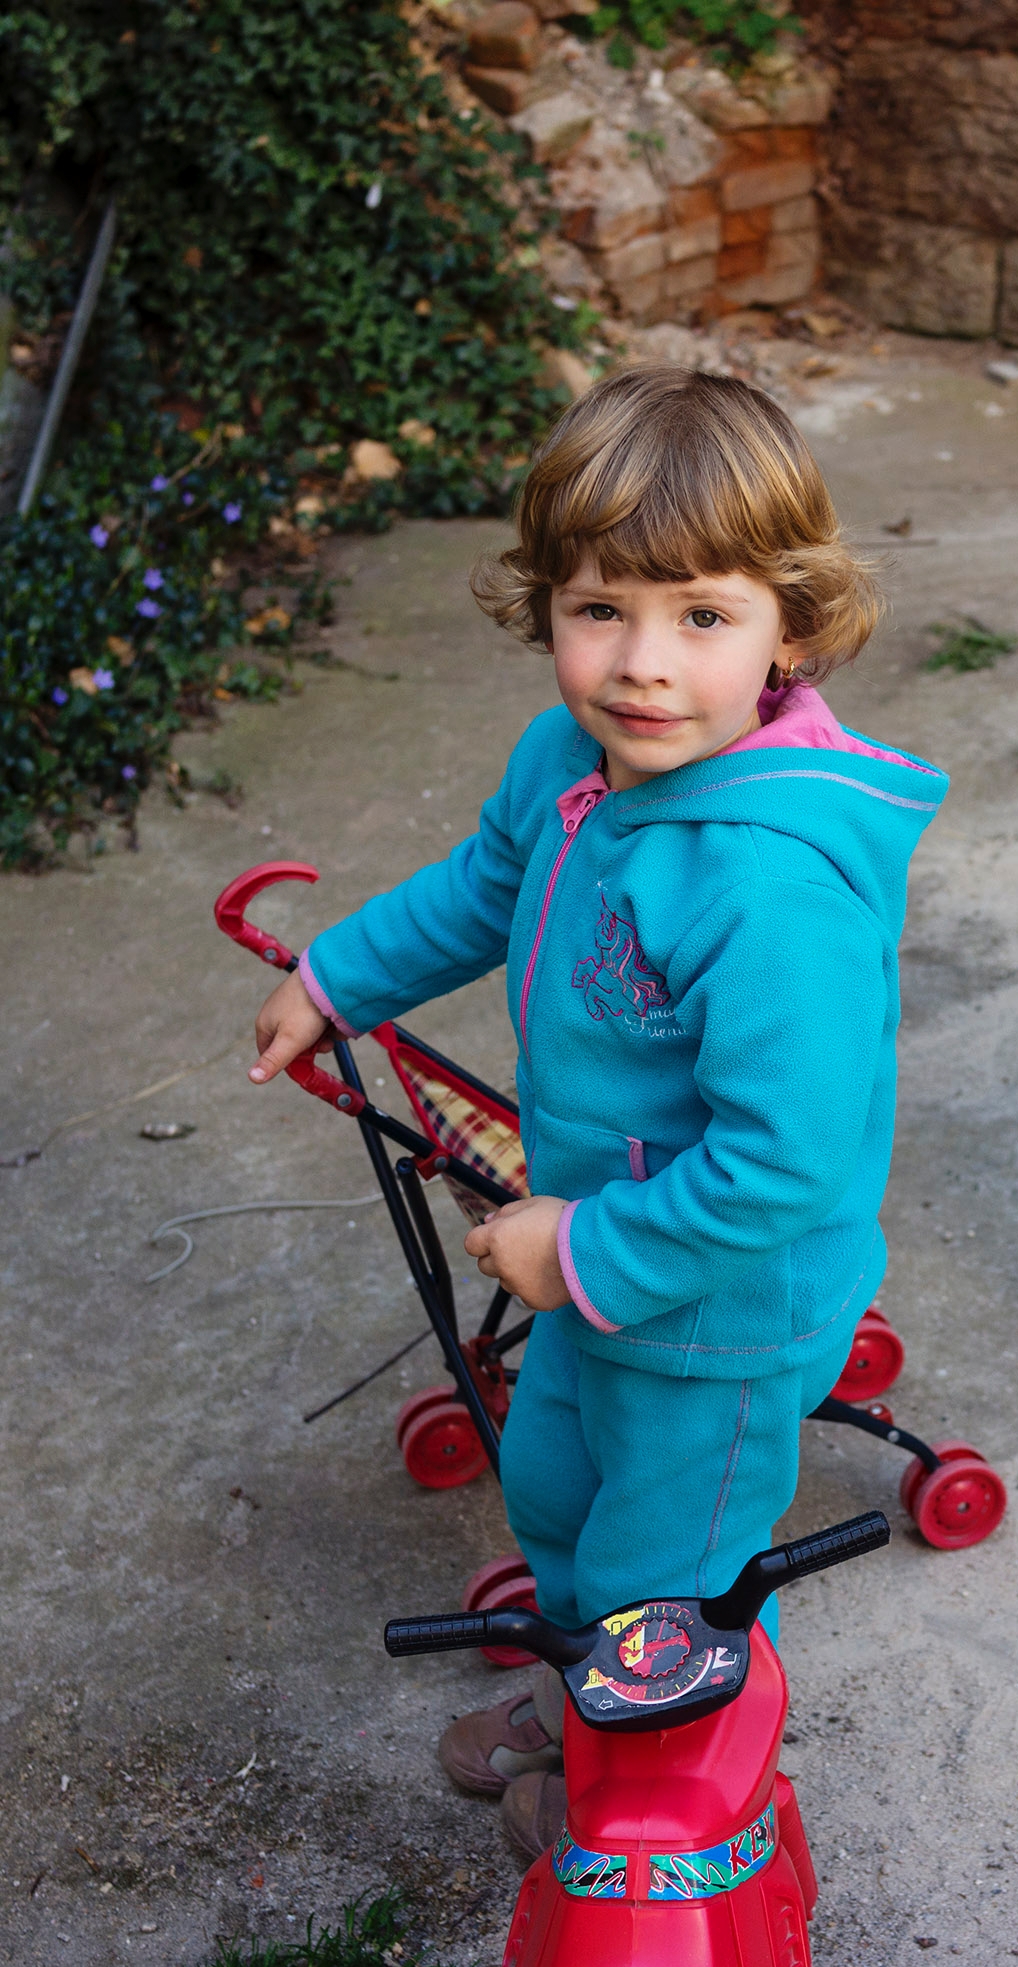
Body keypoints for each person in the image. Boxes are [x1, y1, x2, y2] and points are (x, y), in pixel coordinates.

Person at [247, 367, 947, 1855]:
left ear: (789, 628)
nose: (641, 664)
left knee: (664, 1579)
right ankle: (581, 1695)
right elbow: (483, 889)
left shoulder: (769, 889)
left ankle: (645, 1795)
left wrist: (575, 1254)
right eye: (599, 608)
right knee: (556, 1488)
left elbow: (784, 1162)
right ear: (545, 604)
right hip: (594, 1253)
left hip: (720, 1310)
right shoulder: (567, 761)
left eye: (702, 617)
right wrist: (338, 977)